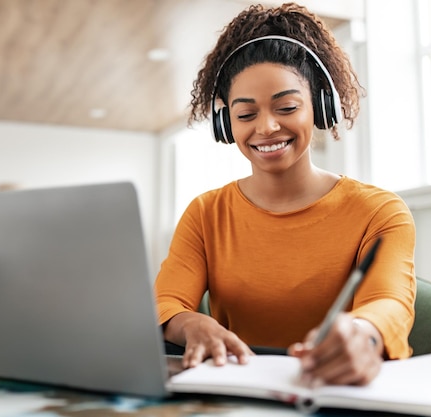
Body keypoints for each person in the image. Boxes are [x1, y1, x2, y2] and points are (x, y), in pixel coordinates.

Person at [154, 2, 416, 386]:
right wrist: (191, 323)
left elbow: (390, 303)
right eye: (246, 115)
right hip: (238, 393)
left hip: (341, 394)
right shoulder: (206, 213)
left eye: (287, 106)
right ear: (226, 124)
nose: (267, 127)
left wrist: (365, 331)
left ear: (321, 107)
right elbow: (165, 302)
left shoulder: (380, 211)